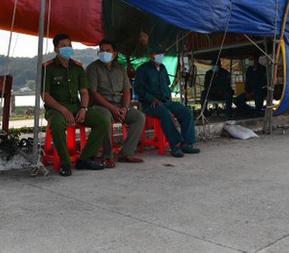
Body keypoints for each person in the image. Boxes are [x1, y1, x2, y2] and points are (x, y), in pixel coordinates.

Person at [42, 34, 110, 176]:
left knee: (102, 121)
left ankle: (85, 159)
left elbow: (84, 92)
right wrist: (63, 110)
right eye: (63, 46)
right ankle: (65, 163)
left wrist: (84, 109)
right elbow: (45, 96)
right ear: (56, 49)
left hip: (77, 106)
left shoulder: (78, 68)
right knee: (56, 124)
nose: (67, 48)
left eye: (69, 45)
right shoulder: (47, 68)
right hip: (56, 108)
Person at [87, 39, 146, 167]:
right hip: (101, 106)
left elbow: (126, 91)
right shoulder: (92, 68)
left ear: (114, 54)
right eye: (101, 50)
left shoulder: (120, 69)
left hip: (119, 105)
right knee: (105, 117)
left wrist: (125, 108)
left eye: (107, 50)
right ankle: (107, 155)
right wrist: (112, 109)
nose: (104, 53)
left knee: (139, 117)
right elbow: (93, 93)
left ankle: (126, 152)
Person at [133, 45, 200, 157]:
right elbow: (138, 89)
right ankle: (175, 145)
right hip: (150, 105)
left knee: (186, 112)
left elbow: (167, 85)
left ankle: (187, 144)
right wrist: (151, 99)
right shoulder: (143, 69)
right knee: (166, 114)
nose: (160, 56)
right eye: (157, 54)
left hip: (166, 101)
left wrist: (168, 97)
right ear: (151, 55)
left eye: (161, 54)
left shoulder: (163, 68)